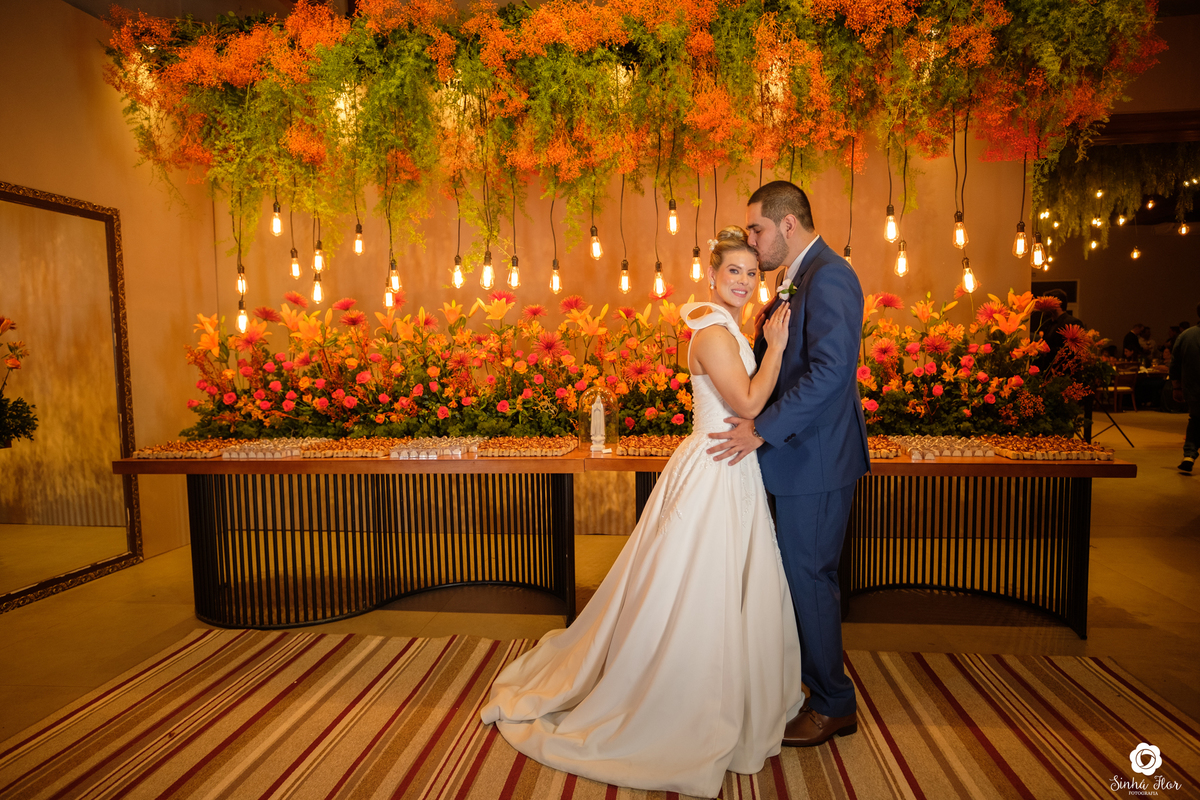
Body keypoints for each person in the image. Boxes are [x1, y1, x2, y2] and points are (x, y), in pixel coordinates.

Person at [480, 227, 804, 798]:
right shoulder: (712, 332)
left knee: (728, 576)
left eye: (752, 273)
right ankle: (682, 694)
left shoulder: (726, 327)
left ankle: (732, 688)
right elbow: (749, 401)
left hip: (731, 462)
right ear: (711, 274)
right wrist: (776, 348)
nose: (744, 281)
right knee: (700, 580)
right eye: (733, 271)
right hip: (716, 465)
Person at [708, 180, 870, 748]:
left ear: (788, 224)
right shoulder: (797, 278)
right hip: (795, 458)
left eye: (756, 229)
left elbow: (831, 373)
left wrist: (760, 429)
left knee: (810, 578)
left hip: (816, 461)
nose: (751, 240)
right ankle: (809, 688)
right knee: (798, 578)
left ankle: (833, 705)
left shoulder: (831, 276)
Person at [1169, 303, 1200, 474]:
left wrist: (1176, 387)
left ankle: (1189, 455)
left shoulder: (1186, 335)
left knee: (1196, 419)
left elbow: (1175, 363)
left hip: (1193, 388)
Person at [1035, 288, 1084, 369]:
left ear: (1057, 304)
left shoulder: (1073, 323)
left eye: (1046, 303)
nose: (1043, 306)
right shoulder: (1048, 323)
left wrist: (1047, 351)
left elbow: (1074, 351)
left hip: (1064, 372)